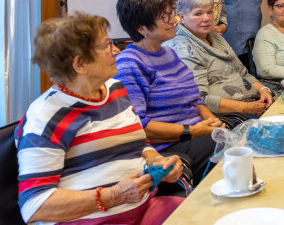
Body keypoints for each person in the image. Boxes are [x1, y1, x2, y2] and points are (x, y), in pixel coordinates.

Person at [16, 12, 184, 224]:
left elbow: (140, 144)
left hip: (144, 209)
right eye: (106, 46)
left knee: (206, 213)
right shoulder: (47, 116)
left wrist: (159, 160)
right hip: (91, 221)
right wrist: (113, 196)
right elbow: (34, 206)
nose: (116, 50)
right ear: (80, 64)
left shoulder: (114, 89)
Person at [115, 0, 225, 186]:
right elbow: (138, 126)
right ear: (142, 28)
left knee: (235, 136)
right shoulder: (130, 63)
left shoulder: (168, 53)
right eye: (165, 17)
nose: (174, 20)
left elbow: (195, 100)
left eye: (171, 14)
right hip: (168, 146)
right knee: (231, 150)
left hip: (196, 133)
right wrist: (192, 131)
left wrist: (213, 123)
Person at [164, 0, 274, 119]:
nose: (206, 18)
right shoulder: (183, 48)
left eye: (209, 12)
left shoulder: (215, 37)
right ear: (182, 17)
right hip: (232, 116)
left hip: (251, 103)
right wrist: (246, 108)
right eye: (198, 13)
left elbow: (243, 73)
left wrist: (263, 90)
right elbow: (200, 100)